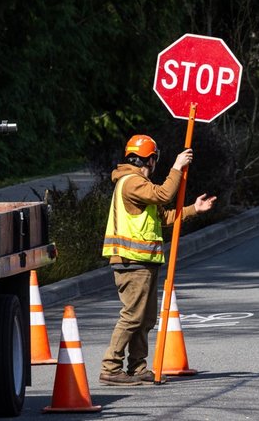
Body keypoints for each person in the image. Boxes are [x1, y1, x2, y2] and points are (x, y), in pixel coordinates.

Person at [99, 134, 216, 386]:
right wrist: (177, 167)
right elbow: (164, 195)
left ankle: (137, 366)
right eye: (154, 159)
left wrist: (195, 208)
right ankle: (111, 366)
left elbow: (164, 216)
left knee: (145, 317)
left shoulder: (141, 185)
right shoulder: (131, 182)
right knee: (132, 316)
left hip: (144, 261)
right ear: (150, 160)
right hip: (132, 261)